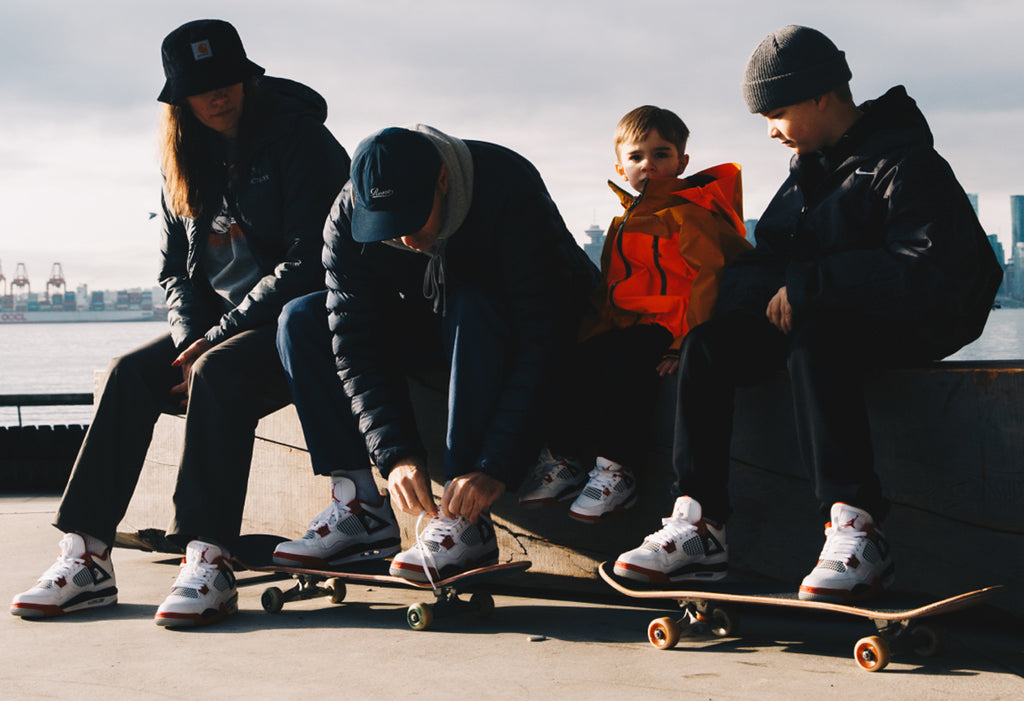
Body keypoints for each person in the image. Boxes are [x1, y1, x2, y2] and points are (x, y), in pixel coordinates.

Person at [613, 25, 1002, 602]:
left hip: (913, 318)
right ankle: (699, 525)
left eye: (778, 112)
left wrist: (811, 286)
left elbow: (932, 265)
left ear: (822, 96)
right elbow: (763, 259)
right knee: (709, 346)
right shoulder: (807, 172)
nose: (770, 130)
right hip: (821, 318)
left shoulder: (906, 162)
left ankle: (858, 529)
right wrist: (755, 304)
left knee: (817, 337)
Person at [9, 19, 350, 627]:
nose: (217, 95)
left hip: (297, 326)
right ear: (180, 98)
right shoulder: (180, 162)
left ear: (247, 79)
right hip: (221, 328)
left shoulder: (300, 141)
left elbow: (309, 262)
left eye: (226, 80)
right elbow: (174, 271)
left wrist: (210, 343)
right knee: (128, 373)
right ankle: (86, 556)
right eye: (201, 86)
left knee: (216, 371)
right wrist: (191, 335)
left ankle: (209, 557)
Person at [271, 125, 599, 582]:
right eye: (386, 226)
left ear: (442, 180)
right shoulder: (347, 215)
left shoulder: (507, 187)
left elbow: (545, 336)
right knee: (301, 319)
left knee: (474, 298)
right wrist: (397, 456)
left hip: (513, 329)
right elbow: (354, 346)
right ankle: (360, 506)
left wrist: (494, 467)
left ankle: (466, 523)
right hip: (428, 325)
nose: (404, 239)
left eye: (411, 218)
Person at [517, 105, 750, 522]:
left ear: (682, 162)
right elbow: (612, 290)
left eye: (661, 154)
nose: (649, 165)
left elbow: (708, 278)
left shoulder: (689, 215)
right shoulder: (623, 221)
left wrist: (683, 343)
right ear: (620, 166)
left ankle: (616, 470)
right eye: (637, 156)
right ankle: (565, 457)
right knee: (575, 358)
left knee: (625, 363)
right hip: (633, 324)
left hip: (671, 324)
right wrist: (593, 332)